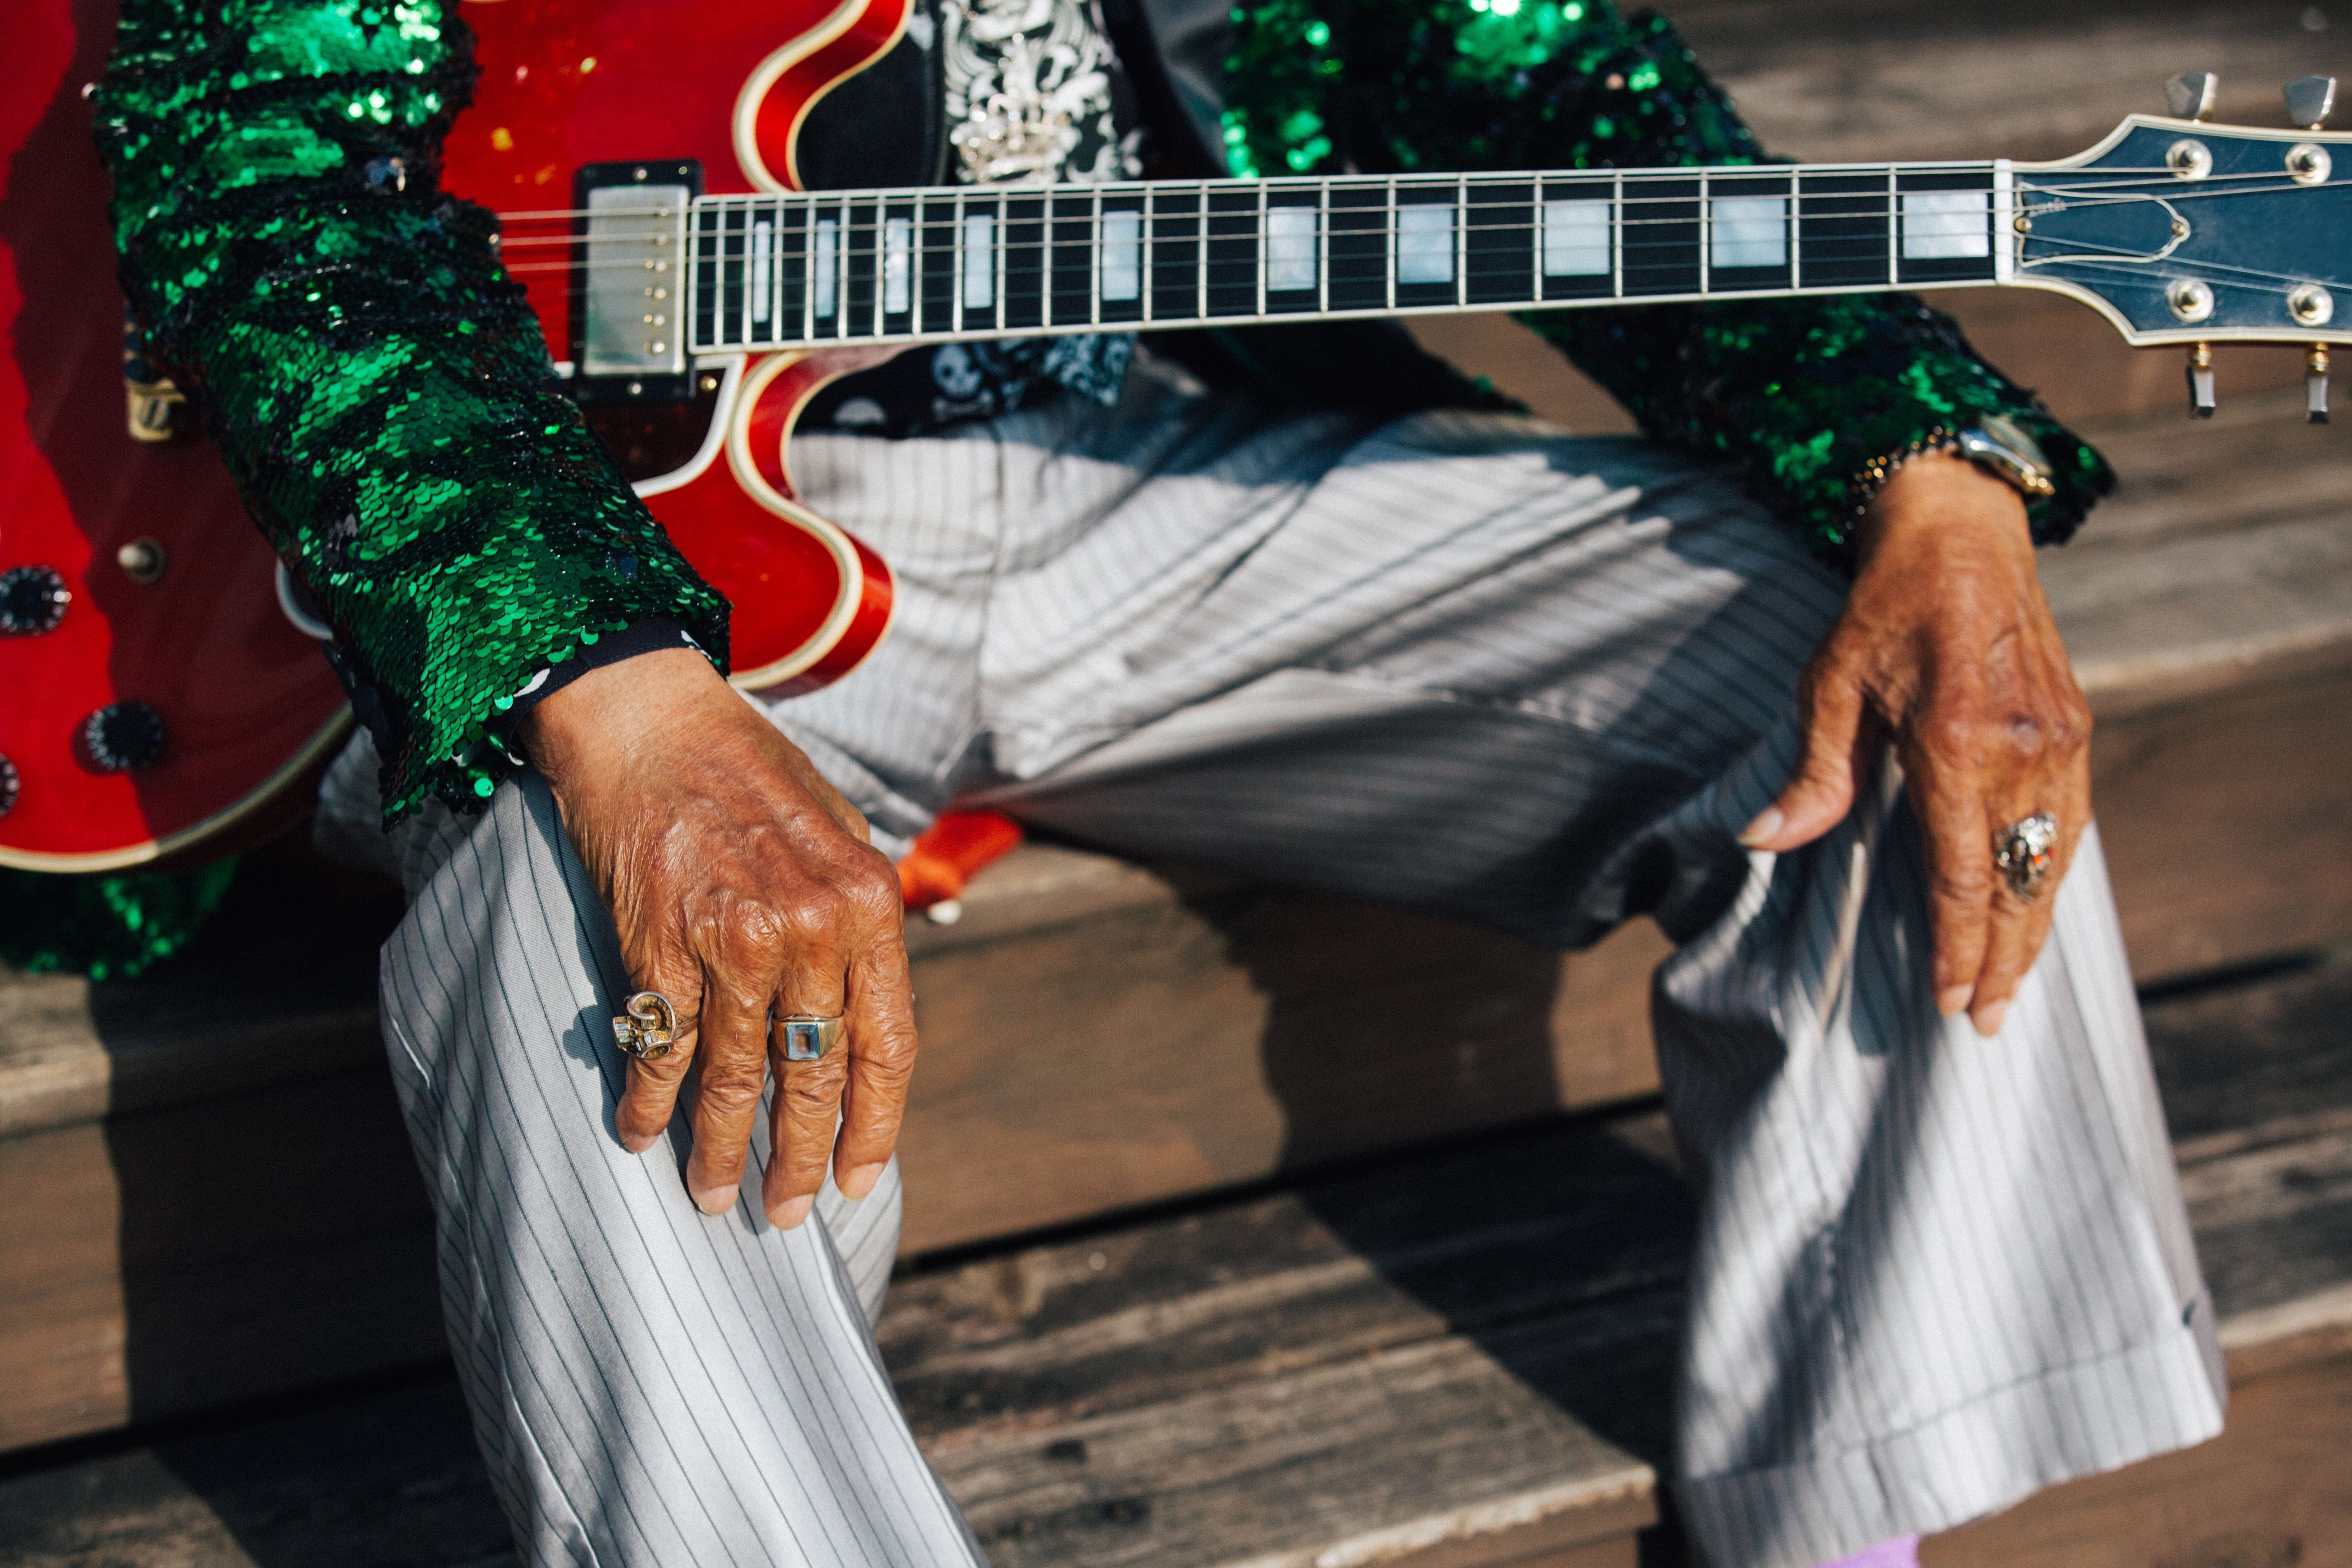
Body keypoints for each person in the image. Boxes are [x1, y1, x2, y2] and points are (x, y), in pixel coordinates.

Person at [93, 0, 2226, 1564]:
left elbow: (1531, 66)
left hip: (1157, 451)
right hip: (607, 536)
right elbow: (259, 173)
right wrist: (621, 700)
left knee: (1852, 675)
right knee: (593, 917)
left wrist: (1933, 477)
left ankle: (1851, 1511)